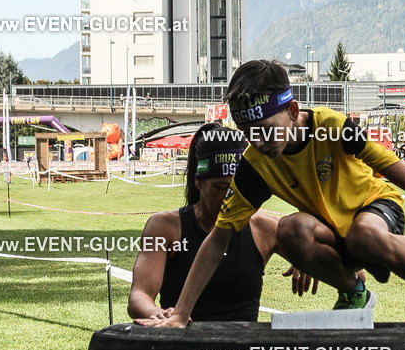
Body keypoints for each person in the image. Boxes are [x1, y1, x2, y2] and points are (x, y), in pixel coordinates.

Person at [142, 60, 405, 332]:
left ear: (293, 110)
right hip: (334, 232)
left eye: (265, 129)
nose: (258, 141)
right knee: (289, 230)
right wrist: (181, 314)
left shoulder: (332, 127)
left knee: (364, 235)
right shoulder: (255, 164)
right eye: (249, 134)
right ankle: (353, 291)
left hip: (377, 208)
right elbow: (217, 240)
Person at [129, 122, 317, 323]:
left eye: (238, 188)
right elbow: (139, 295)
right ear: (198, 181)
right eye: (221, 187)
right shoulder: (164, 227)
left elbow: (326, 240)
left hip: (241, 342)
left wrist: (305, 251)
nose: (230, 197)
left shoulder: (262, 228)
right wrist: (158, 314)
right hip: (183, 339)